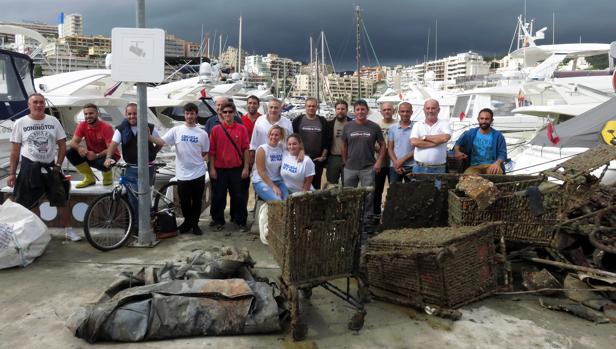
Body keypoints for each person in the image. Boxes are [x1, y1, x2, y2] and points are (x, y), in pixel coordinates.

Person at [8, 93, 79, 241]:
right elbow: (15, 150)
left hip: (51, 167)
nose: (39, 105)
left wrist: (58, 166)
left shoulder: (53, 121)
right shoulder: (20, 123)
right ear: (29, 105)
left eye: (41, 103)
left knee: (60, 198)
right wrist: (12, 173)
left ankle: (69, 229)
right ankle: (39, 232)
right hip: (29, 167)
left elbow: (62, 145)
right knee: (31, 202)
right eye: (35, 103)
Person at [104, 103, 163, 224]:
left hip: (148, 168)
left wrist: (152, 151)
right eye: (129, 114)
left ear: (140, 114)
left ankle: (146, 225)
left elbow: (161, 143)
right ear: (125, 114)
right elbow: (113, 145)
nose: (132, 116)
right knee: (133, 199)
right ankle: (137, 226)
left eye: (135, 113)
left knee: (144, 198)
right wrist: (108, 158)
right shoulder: (121, 128)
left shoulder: (150, 127)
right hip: (131, 168)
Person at [156, 103, 210, 235]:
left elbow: (204, 152)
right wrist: (148, 137)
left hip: (198, 172)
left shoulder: (202, 133)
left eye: (192, 113)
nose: (189, 116)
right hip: (182, 174)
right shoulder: (176, 130)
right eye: (187, 113)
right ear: (184, 115)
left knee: (197, 200)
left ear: (196, 115)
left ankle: (195, 224)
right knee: (184, 201)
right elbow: (162, 142)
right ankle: (187, 222)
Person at [342, 99, 385, 230]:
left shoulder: (374, 127)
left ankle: (367, 223)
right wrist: (345, 161)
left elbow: (383, 146)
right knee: (349, 195)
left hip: (368, 168)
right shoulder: (348, 126)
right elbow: (344, 145)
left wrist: (379, 162)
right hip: (350, 168)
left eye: (363, 109)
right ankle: (350, 220)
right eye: (357, 109)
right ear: (354, 111)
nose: (360, 112)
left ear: (367, 111)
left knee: (369, 197)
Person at [208, 101, 250, 232]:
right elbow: (212, 152)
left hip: (236, 168)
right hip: (220, 169)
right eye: (224, 112)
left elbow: (245, 150)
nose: (227, 114)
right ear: (221, 113)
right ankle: (218, 220)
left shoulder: (241, 129)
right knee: (219, 196)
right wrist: (212, 168)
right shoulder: (215, 130)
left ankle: (240, 221)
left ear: (234, 113)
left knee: (238, 196)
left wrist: (246, 167)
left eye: (230, 112)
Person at [66, 103, 119, 188]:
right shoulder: (82, 125)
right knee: (70, 152)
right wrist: (80, 148)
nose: (88, 116)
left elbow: (111, 149)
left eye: (91, 113)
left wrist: (97, 155)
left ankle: (107, 175)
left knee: (104, 163)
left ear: (97, 114)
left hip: (109, 155)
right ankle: (89, 178)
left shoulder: (106, 127)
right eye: (86, 114)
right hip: (92, 155)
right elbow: (73, 143)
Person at [453, 108, 507, 174]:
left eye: (487, 119)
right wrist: (457, 152)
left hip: (491, 166)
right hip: (474, 167)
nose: (484, 121)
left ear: (491, 120)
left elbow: (503, 154)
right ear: (478, 119)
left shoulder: (498, 136)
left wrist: (497, 163)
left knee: (496, 174)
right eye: (482, 118)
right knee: (467, 179)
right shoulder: (470, 133)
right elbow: (458, 143)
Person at [291, 97, 329, 190]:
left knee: (315, 187)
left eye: (313, 106)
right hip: (301, 159)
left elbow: (327, 140)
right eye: (309, 106)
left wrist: (323, 156)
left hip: (316, 160)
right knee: (300, 186)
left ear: (317, 107)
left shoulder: (322, 121)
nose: (311, 108)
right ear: (305, 107)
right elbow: (293, 139)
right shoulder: (297, 121)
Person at [410, 99, 451, 174]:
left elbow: (445, 138)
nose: (430, 111)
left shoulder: (444, 124)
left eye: (433, 108)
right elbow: (414, 142)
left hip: (438, 168)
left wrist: (425, 137)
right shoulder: (417, 125)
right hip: (419, 167)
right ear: (424, 110)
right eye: (428, 108)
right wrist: (437, 142)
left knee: (438, 186)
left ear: (438, 110)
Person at [252, 125, 289, 201]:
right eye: (272, 134)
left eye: (276, 135)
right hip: (261, 181)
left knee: (287, 200)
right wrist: (273, 187)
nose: (274, 137)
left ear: (280, 137)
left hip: (277, 180)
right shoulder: (262, 149)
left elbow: (295, 149)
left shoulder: (281, 148)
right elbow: (261, 171)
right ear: (269, 135)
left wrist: (301, 152)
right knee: (277, 201)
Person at [374, 102, 396, 217]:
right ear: (381, 111)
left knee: (393, 190)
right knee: (377, 190)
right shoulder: (376, 125)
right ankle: (376, 214)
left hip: (394, 162)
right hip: (379, 162)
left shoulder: (397, 124)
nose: (387, 111)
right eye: (385, 110)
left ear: (393, 111)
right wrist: (381, 150)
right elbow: (372, 142)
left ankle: (391, 214)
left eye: (389, 109)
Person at [387, 102, 415, 183]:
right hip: (395, 166)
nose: (405, 114)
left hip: (412, 166)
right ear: (399, 112)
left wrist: (401, 161)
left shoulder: (416, 127)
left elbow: (417, 148)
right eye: (402, 111)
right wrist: (396, 163)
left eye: (407, 111)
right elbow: (390, 148)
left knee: (412, 193)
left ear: (411, 112)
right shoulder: (392, 128)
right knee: (394, 192)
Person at [326, 100, 352, 186]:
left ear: (347, 110)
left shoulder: (353, 124)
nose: (340, 111)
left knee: (348, 185)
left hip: (349, 158)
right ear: (335, 110)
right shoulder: (329, 124)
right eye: (338, 109)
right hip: (334, 158)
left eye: (343, 109)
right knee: (332, 185)